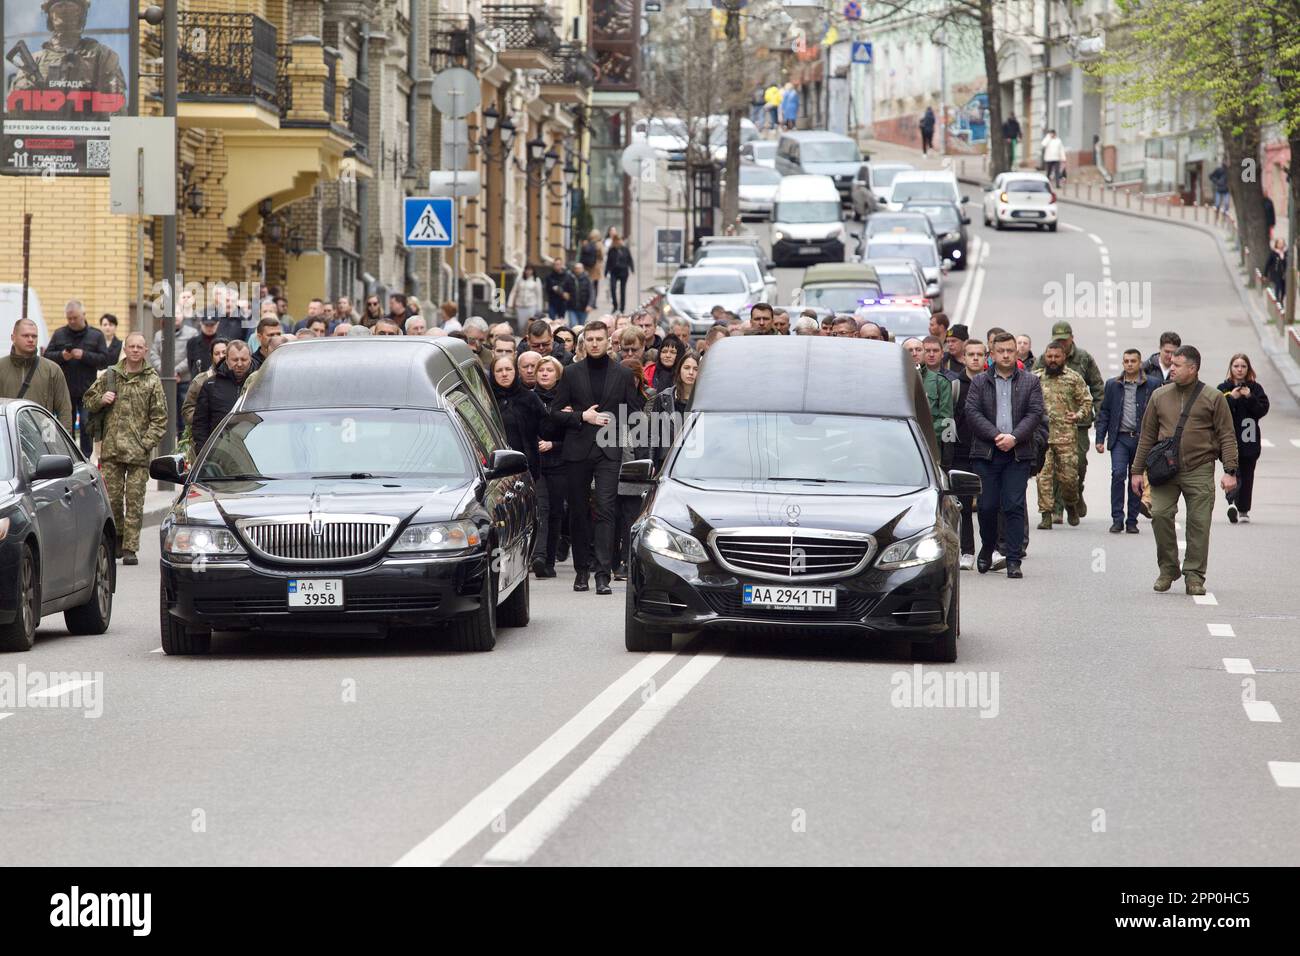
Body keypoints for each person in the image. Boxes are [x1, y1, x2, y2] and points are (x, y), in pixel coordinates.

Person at [1132, 346, 1238, 595]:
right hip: (1165, 470)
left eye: (1177, 365)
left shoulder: (1213, 398)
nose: (1172, 369)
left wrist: (1230, 471)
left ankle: (1194, 575)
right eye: (1171, 364)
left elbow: (1227, 436)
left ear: (1193, 368)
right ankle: (1168, 568)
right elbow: (1146, 435)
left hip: (1199, 468)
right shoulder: (1159, 396)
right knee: (1159, 514)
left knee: (1199, 523)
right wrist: (1137, 472)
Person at [547, 319, 643, 595]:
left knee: (605, 508)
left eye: (599, 339)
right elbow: (554, 412)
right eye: (589, 339)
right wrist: (582, 416)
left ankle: (603, 574)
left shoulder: (623, 375)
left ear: (608, 342)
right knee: (578, 512)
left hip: (609, 450)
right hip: (577, 450)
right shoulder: (571, 373)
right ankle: (581, 572)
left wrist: (617, 425)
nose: (594, 343)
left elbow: (634, 414)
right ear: (583, 342)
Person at [964, 332, 1046, 578]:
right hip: (987, 452)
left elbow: (1035, 413)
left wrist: (1014, 437)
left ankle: (1012, 559)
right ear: (993, 354)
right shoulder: (979, 382)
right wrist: (996, 436)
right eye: (1002, 351)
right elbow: (972, 412)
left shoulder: (1030, 381)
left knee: (1013, 505)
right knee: (988, 507)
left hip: (1017, 453)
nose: (1007, 355)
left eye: (1011, 350)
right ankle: (987, 548)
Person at [81, 332, 166, 566]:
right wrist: (102, 399)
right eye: (132, 346)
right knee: (114, 500)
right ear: (125, 349)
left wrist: (146, 443)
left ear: (146, 351)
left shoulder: (152, 380)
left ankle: (130, 548)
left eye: (140, 346)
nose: (136, 350)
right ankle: (117, 537)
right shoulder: (110, 375)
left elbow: (160, 419)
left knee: (135, 501)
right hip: (111, 449)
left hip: (138, 453)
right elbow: (88, 400)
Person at [1033, 320, 1103, 522]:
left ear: (1071, 339)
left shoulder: (1082, 360)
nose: (1054, 358)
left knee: (1073, 470)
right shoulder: (1040, 367)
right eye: (1056, 343)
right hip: (1044, 432)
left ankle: (1072, 498)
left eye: (1064, 341)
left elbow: (1096, 389)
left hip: (1074, 428)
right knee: (1045, 475)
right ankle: (1051, 512)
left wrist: (1095, 417)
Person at [1095, 349, 1160, 534]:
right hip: (1120, 439)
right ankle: (1117, 518)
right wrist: (1100, 438)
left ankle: (1132, 520)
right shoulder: (1112, 385)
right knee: (1117, 475)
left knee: (1136, 479)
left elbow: (1160, 412)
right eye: (1126, 361)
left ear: (1140, 363)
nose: (1129, 364)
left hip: (1142, 440)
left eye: (1133, 361)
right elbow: (1105, 411)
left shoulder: (1152, 384)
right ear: (1123, 363)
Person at [45, 299, 109, 455]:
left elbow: (104, 361)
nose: (72, 321)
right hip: (64, 389)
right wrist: (61, 356)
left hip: (88, 390)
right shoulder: (59, 334)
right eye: (69, 319)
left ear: (84, 315)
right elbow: (46, 356)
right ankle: (68, 456)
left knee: (87, 424)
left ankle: (85, 456)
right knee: (66, 425)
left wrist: (84, 355)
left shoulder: (96, 335)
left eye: (75, 318)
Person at [1218, 353, 1268, 524]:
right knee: (1231, 471)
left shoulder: (1255, 389)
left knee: (1247, 475)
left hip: (1249, 440)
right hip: (1229, 439)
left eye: (1243, 366)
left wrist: (1249, 397)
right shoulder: (1223, 388)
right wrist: (1232, 397)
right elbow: (1216, 410)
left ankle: (1244, 509)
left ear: (1248, 369)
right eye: (1236, 366)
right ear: (1231, 368)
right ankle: (1231, 503)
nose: (1239, 369)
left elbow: (1262, 410)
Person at [613, 357, 652, 579]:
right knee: (612, 517)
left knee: (630, 518)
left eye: (633, 380)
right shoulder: (611, 404)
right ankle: (610, 560)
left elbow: (648, 443)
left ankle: (627, 561)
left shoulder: (644, 404)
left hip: (634, 471)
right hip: (611, 469)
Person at [0, 318, 73, 432]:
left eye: (34, 336)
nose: (31, 340)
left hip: (42, 438)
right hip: (7, 437)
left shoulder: (52, 370)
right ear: (13, 338)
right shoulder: (1, 367)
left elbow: (64, 410)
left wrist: (62, 444)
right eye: (25, 336)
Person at [952, 339, 987, 568]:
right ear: (963, 358)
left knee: (987, 505)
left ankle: (990, 550)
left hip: (986, 453)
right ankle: (967, 551)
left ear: (986, 358)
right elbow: (949, 420)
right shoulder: (955, 385)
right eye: (971, 354)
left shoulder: (991, 384)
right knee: (963, 506)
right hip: (961, 453)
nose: (975, 358)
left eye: (979, 354)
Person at [532, 356, 568, 577]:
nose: (545, 373)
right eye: (541, 370)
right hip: (536, 463)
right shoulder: (529, 398)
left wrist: (553, 444)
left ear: (558, 374)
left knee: (556, 511)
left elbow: (575, 434)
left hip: (559, 462)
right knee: (542, 508)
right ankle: (539, 556)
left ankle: (550, 561)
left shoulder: (565, 401)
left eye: (549, 370)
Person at [191, 340, 253, 453]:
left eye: (243, 359)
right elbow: (200, 424)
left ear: (250, 359)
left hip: (252, 447)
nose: (239, 364)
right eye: (235, 360)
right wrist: (203, 452)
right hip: (219, 451)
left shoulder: (259, 382)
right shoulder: (211, 385)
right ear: (227, 360)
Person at [491, 354, 546, 481]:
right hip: (496, 469)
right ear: (493, 374)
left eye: (508, 369)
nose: (504, 374)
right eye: (499, 370)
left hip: (527, 466)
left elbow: (546, 428)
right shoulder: (487, 399)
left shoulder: (529, 397)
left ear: (515, 371)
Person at [148, 309, 197, 438]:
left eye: (179, 312)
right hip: (164, 381)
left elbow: (192, 355)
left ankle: (182, 444)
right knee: (165, 415)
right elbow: (153, 355)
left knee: (183, 416)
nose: (175, 316)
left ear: (183, 315)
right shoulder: (159, 335)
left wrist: (176, 371)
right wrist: (165, 371)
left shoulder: (192, 333)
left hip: (184, 381)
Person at [182, 338, 227, 427]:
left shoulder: (238, 377)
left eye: (224, 353)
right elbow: (187, 409)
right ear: (212, 356)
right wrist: (201, 419)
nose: (221, 356)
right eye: (217, 354)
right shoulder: (200, 380)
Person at [605, 234, 634, 312]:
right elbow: (608, 262)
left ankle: (622, 307)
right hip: (614, 272)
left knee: (622, 290)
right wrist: (606, 271)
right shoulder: (611, 250)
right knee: (613, 288)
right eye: (616, 240)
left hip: (623, 271)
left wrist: (632, 269)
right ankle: (615, 305)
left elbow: (630, 259)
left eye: (620, 240)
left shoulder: (625, 249)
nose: (618, 242)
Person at [545, 258, 576, 322]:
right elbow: (548, 288)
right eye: (555, 264)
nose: (557, 266)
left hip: (562, 302)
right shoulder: (549, 276)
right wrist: (555, 289)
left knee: (561, 321)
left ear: (562, 265)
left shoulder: (567, 276)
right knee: (551, 321)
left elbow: (571, 288)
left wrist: (568, 294)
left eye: (558, 264)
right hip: (552, 302)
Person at [580, 231, 605, 304]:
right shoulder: (599, 244)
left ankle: (586, 301)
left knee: (587, 284)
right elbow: (602, 256)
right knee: (595, 285)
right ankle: (593, 302)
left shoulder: (586, 243)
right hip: (596, 267)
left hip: (587, 267)